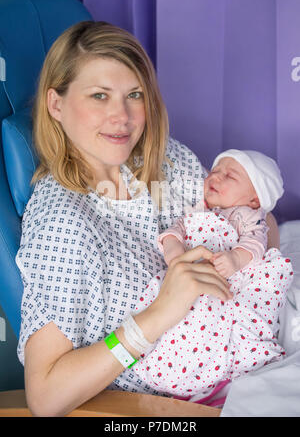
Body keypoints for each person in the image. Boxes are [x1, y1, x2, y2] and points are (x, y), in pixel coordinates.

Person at [16, 21, 278, 417]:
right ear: (56, 104)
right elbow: (47, 396)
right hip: (175, 401)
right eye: (99, 95)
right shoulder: (62, 222)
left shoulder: (163, 161)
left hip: (246, 352)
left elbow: (256, 215)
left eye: (133, 95)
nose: (121, 116)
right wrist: (158, 315)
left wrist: (247, 254)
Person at [131, 150, 293, 401]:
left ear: (254, 199)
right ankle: (183, 371)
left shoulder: (248, 215)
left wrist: (235, 259)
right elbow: (178, 229)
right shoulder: (198, 210)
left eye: (229, 175)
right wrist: (173, 247)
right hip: (192, 275)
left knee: (219, 316)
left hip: (226, 279)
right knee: (182, 321)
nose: (215, 177)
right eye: (215, 171)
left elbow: (255, 243)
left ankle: (214, 376)